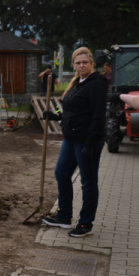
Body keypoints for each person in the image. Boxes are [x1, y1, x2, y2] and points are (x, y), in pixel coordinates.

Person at [42, 47, 107, 237]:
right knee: (61, 173)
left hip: (87, 139)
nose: (81, 65)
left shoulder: (97, 83)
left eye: (85, 62)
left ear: (91, 63)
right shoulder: (77, 83)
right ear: (74, 65)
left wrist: (90, 143)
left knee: (88, 182)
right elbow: (74, 110)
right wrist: (56, 116)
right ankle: (64, 216)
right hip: (71, 138)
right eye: (78, 63)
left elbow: (97, 116)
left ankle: (86, 223)